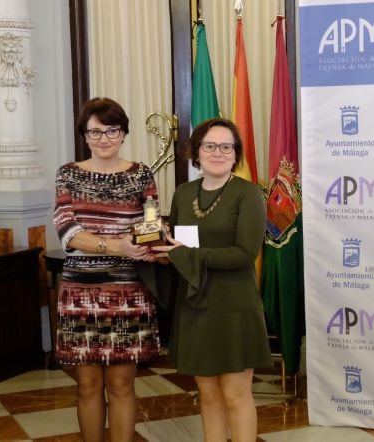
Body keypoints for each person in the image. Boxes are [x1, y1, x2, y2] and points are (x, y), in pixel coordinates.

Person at [151, 117, 272, 442]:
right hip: (194, 304)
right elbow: (177, 247)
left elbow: (245, 254)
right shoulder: (183, 193)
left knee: (236, 395)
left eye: (226, 147)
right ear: (196, 151)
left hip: (234, 306)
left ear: (236, 154)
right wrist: (160, 253)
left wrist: (185, 256)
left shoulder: (248, 195)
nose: (217, 152)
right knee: (208, 396)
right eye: (210, 146)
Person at [53, 97, 160, 442]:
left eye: (111, 130)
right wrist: (115, 245)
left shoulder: (142, 173)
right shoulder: (68, 173)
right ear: (84, 135)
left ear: (124, 132)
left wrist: (145, 241)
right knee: (87, 386)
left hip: (128, 292)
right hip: (79, 293)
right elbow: (67, 231)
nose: (104, 138)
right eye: (95, 132)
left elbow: (151, 227)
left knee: (121, 384)